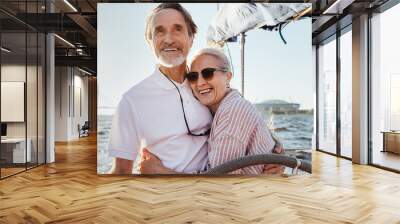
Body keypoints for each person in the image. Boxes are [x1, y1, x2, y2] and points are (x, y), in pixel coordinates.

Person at [140, 48, 284, 174]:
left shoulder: (232, 111)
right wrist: (275, 143)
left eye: (208, 73)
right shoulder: (220, 108)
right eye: (193, 76)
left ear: (228, 77)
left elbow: (219, 183)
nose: (200, 82)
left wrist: (161, 172)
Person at [109, 3, 213, 174]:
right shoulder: (132, 100)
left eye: (177, 29)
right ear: (149, 41)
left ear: (191, 37)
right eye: (159, 31)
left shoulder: (207, 84)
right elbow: (121, 171)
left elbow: (238, 112)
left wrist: (273, 147)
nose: (169, 39)